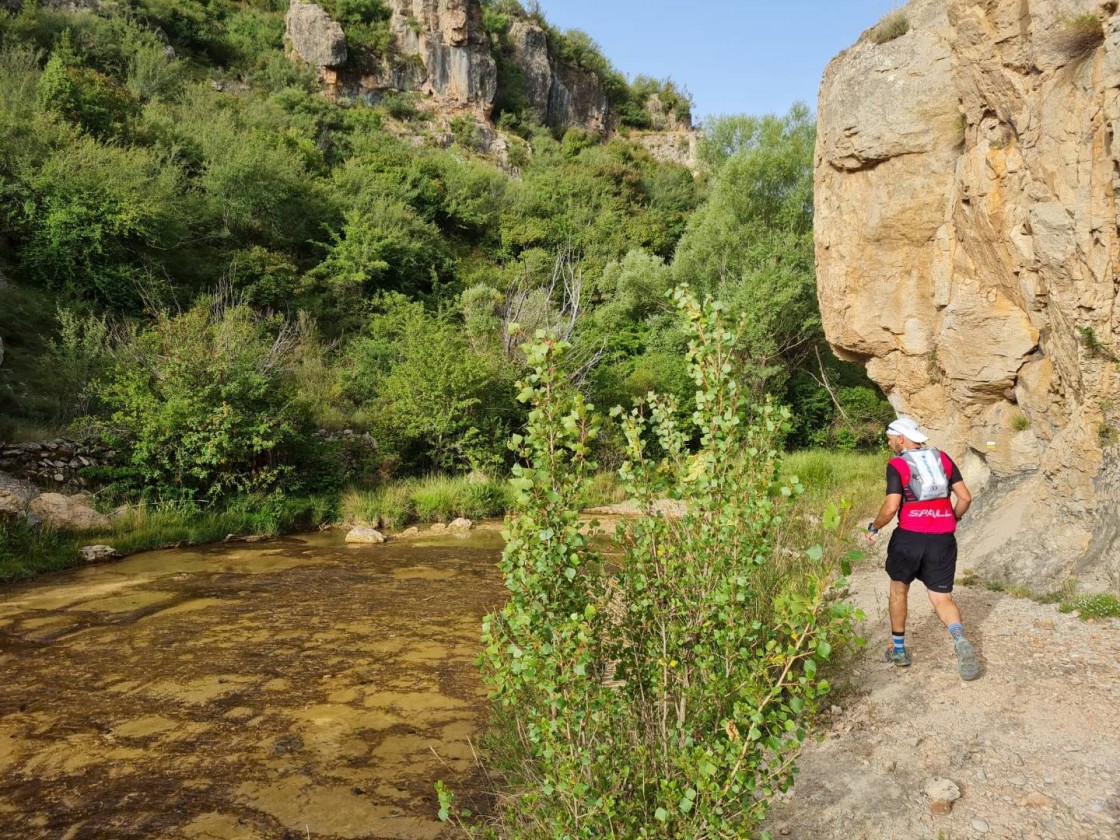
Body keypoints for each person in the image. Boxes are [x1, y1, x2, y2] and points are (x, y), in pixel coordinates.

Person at [865, 417, 980, 681]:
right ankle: (959, 638)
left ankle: (899, 650)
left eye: (890, 437)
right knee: (942, 598)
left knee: (898, 589)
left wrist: (874, 527)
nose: (889, 442)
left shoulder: (897, 464)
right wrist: (954, 519)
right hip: (942, 539)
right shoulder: (943, 459)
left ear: (901, 438)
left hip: (909, 538)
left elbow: (892, 506)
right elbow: (965, 497)